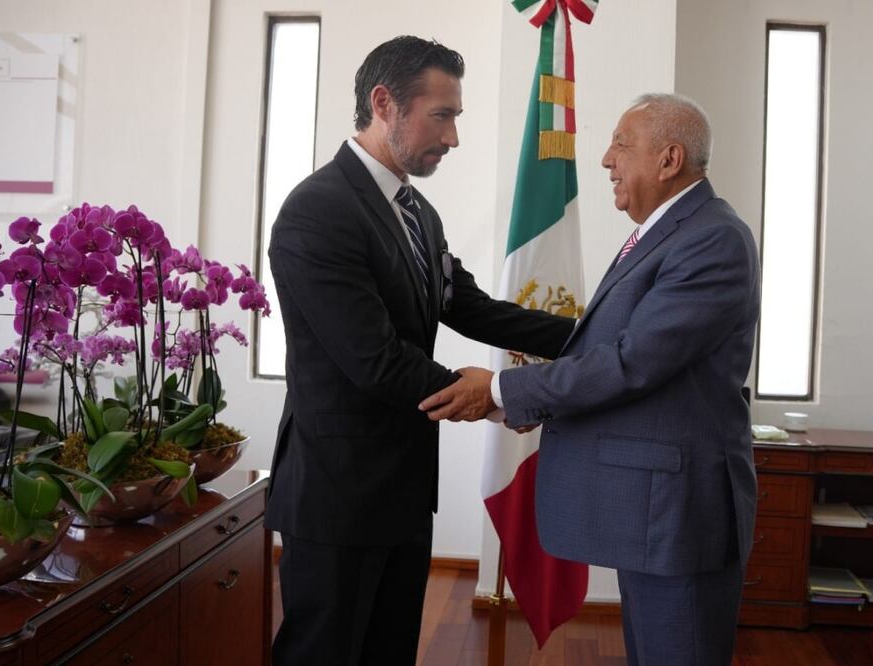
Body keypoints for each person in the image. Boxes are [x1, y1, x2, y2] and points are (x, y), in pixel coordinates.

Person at [265, 36, 574, 665]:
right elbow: (374, 359)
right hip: (338, 497)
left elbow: (471, 306)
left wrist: (593, 337)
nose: (454, 137)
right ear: (385, 104)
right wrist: (496, 398)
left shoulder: (417, 212)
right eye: (443, 115)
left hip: (403, 491)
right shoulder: (317, 211)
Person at [420, 93, 760, 665]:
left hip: (679, 514)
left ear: (669, 159)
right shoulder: (669, 231)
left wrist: (500, 390)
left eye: (622, 144)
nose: (606, 159)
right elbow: (605, 341)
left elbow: (631, 361)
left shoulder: (710, 238)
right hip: (656, 514)